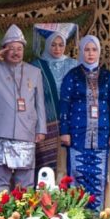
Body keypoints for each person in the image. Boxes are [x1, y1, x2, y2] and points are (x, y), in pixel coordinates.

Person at [0, 24, 46, 194]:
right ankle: (1, 217)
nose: (16, 52)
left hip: (26, 131)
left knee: (25, 180)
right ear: (3, 50)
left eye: (19, 48)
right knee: (0, 179)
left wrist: (41, 129)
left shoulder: (34, 72)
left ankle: (22, 217)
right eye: (11, 49)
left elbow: (39, 103)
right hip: (1, 131)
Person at [59, 35, 110, 210]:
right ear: (81, 52)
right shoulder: (72, 75)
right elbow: (64, 104)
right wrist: (64, 131)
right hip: (77, 135)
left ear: (99, 52)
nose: (90, 54)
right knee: (77, 176)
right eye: (87, 49)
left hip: (101, 136)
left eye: (94, 50)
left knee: (98, 178)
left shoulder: (107, 77)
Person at [30, 29, 79, 172]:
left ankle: (68, 193)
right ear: (47, 45)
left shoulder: (74, 65)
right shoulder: (36, 66)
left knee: (68, 163)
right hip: (45, 122)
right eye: (53, 45)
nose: (57, 48)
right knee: (45, 166)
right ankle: (44, 194)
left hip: (70, 122)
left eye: (60, 45)